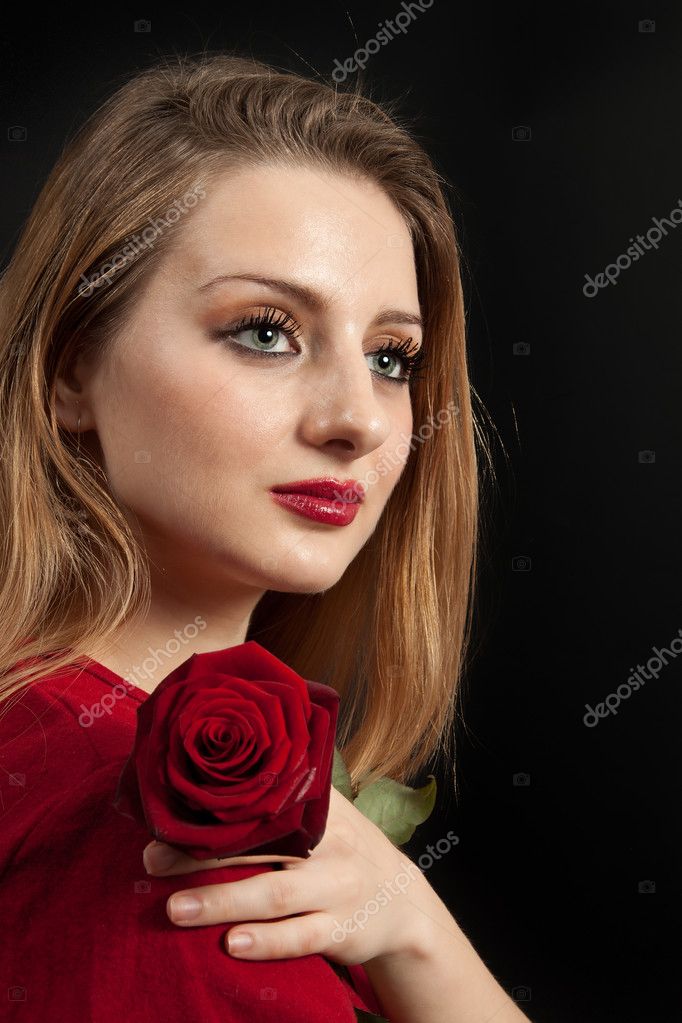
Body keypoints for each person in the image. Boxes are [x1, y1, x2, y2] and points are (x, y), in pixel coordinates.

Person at [0, 52, 530, 1022]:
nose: (358, 420)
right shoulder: (150, 838)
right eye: (265, 331)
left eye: (389, 356)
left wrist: (415, 932)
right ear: (71, 370)